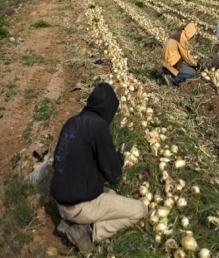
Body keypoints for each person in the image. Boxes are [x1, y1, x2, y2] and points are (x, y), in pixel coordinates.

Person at [50, 83, 147, 252]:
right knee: (139, 210)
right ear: (108, 108)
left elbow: (64, 162)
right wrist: (118, 159)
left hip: (61, 203)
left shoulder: (72, 122)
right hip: (77, 207)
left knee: (113, 195)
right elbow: (114, 176)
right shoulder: (99, 127)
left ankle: (72, 222)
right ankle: (88, 231)